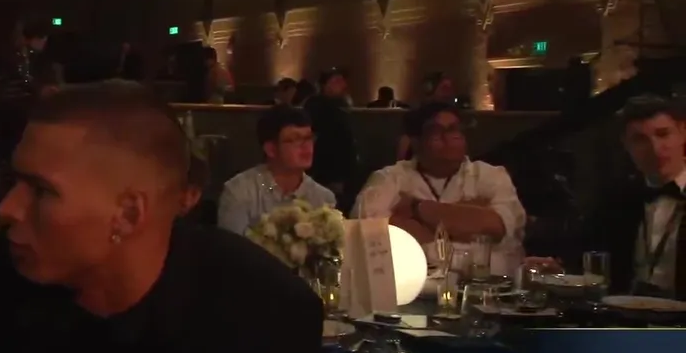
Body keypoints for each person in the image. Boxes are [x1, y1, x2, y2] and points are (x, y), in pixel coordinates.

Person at [0, 81, 323, 353]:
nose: (8, 208)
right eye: (13, 182)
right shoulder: (16, 269)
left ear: (128, 214)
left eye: (40, 191)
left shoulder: (264, 313)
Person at [353, 101, 526, 277]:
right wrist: (465, 220)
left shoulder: (491, 175)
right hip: (411, 284)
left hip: (486, 285)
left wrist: (416, 209)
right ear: (415, 141)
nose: (449, 137)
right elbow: (368, 232)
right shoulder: (388, 178)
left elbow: (495, 228)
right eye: (437, 131)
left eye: (454, 129)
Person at [574, 96, 686, 297]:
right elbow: (587, 260)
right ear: (626, 145)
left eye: (663, 134)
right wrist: (557, 267)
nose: (655, 148)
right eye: (640, 139)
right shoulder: (615, 200)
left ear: (683, 133)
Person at [218, 106, 336, 235]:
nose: (306, 146)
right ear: (271, 150)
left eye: (308, 138)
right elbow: (230, 246)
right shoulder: (240, 192)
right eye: (295, 139)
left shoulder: (323, 198)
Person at [304, 68, 357, 203]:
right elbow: (312, 133)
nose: (342, 85)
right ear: (324, 84)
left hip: (344, 165)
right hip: (326, 165)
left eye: (342, 81)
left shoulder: (343, 104)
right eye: (336, 81)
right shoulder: (315, 104)